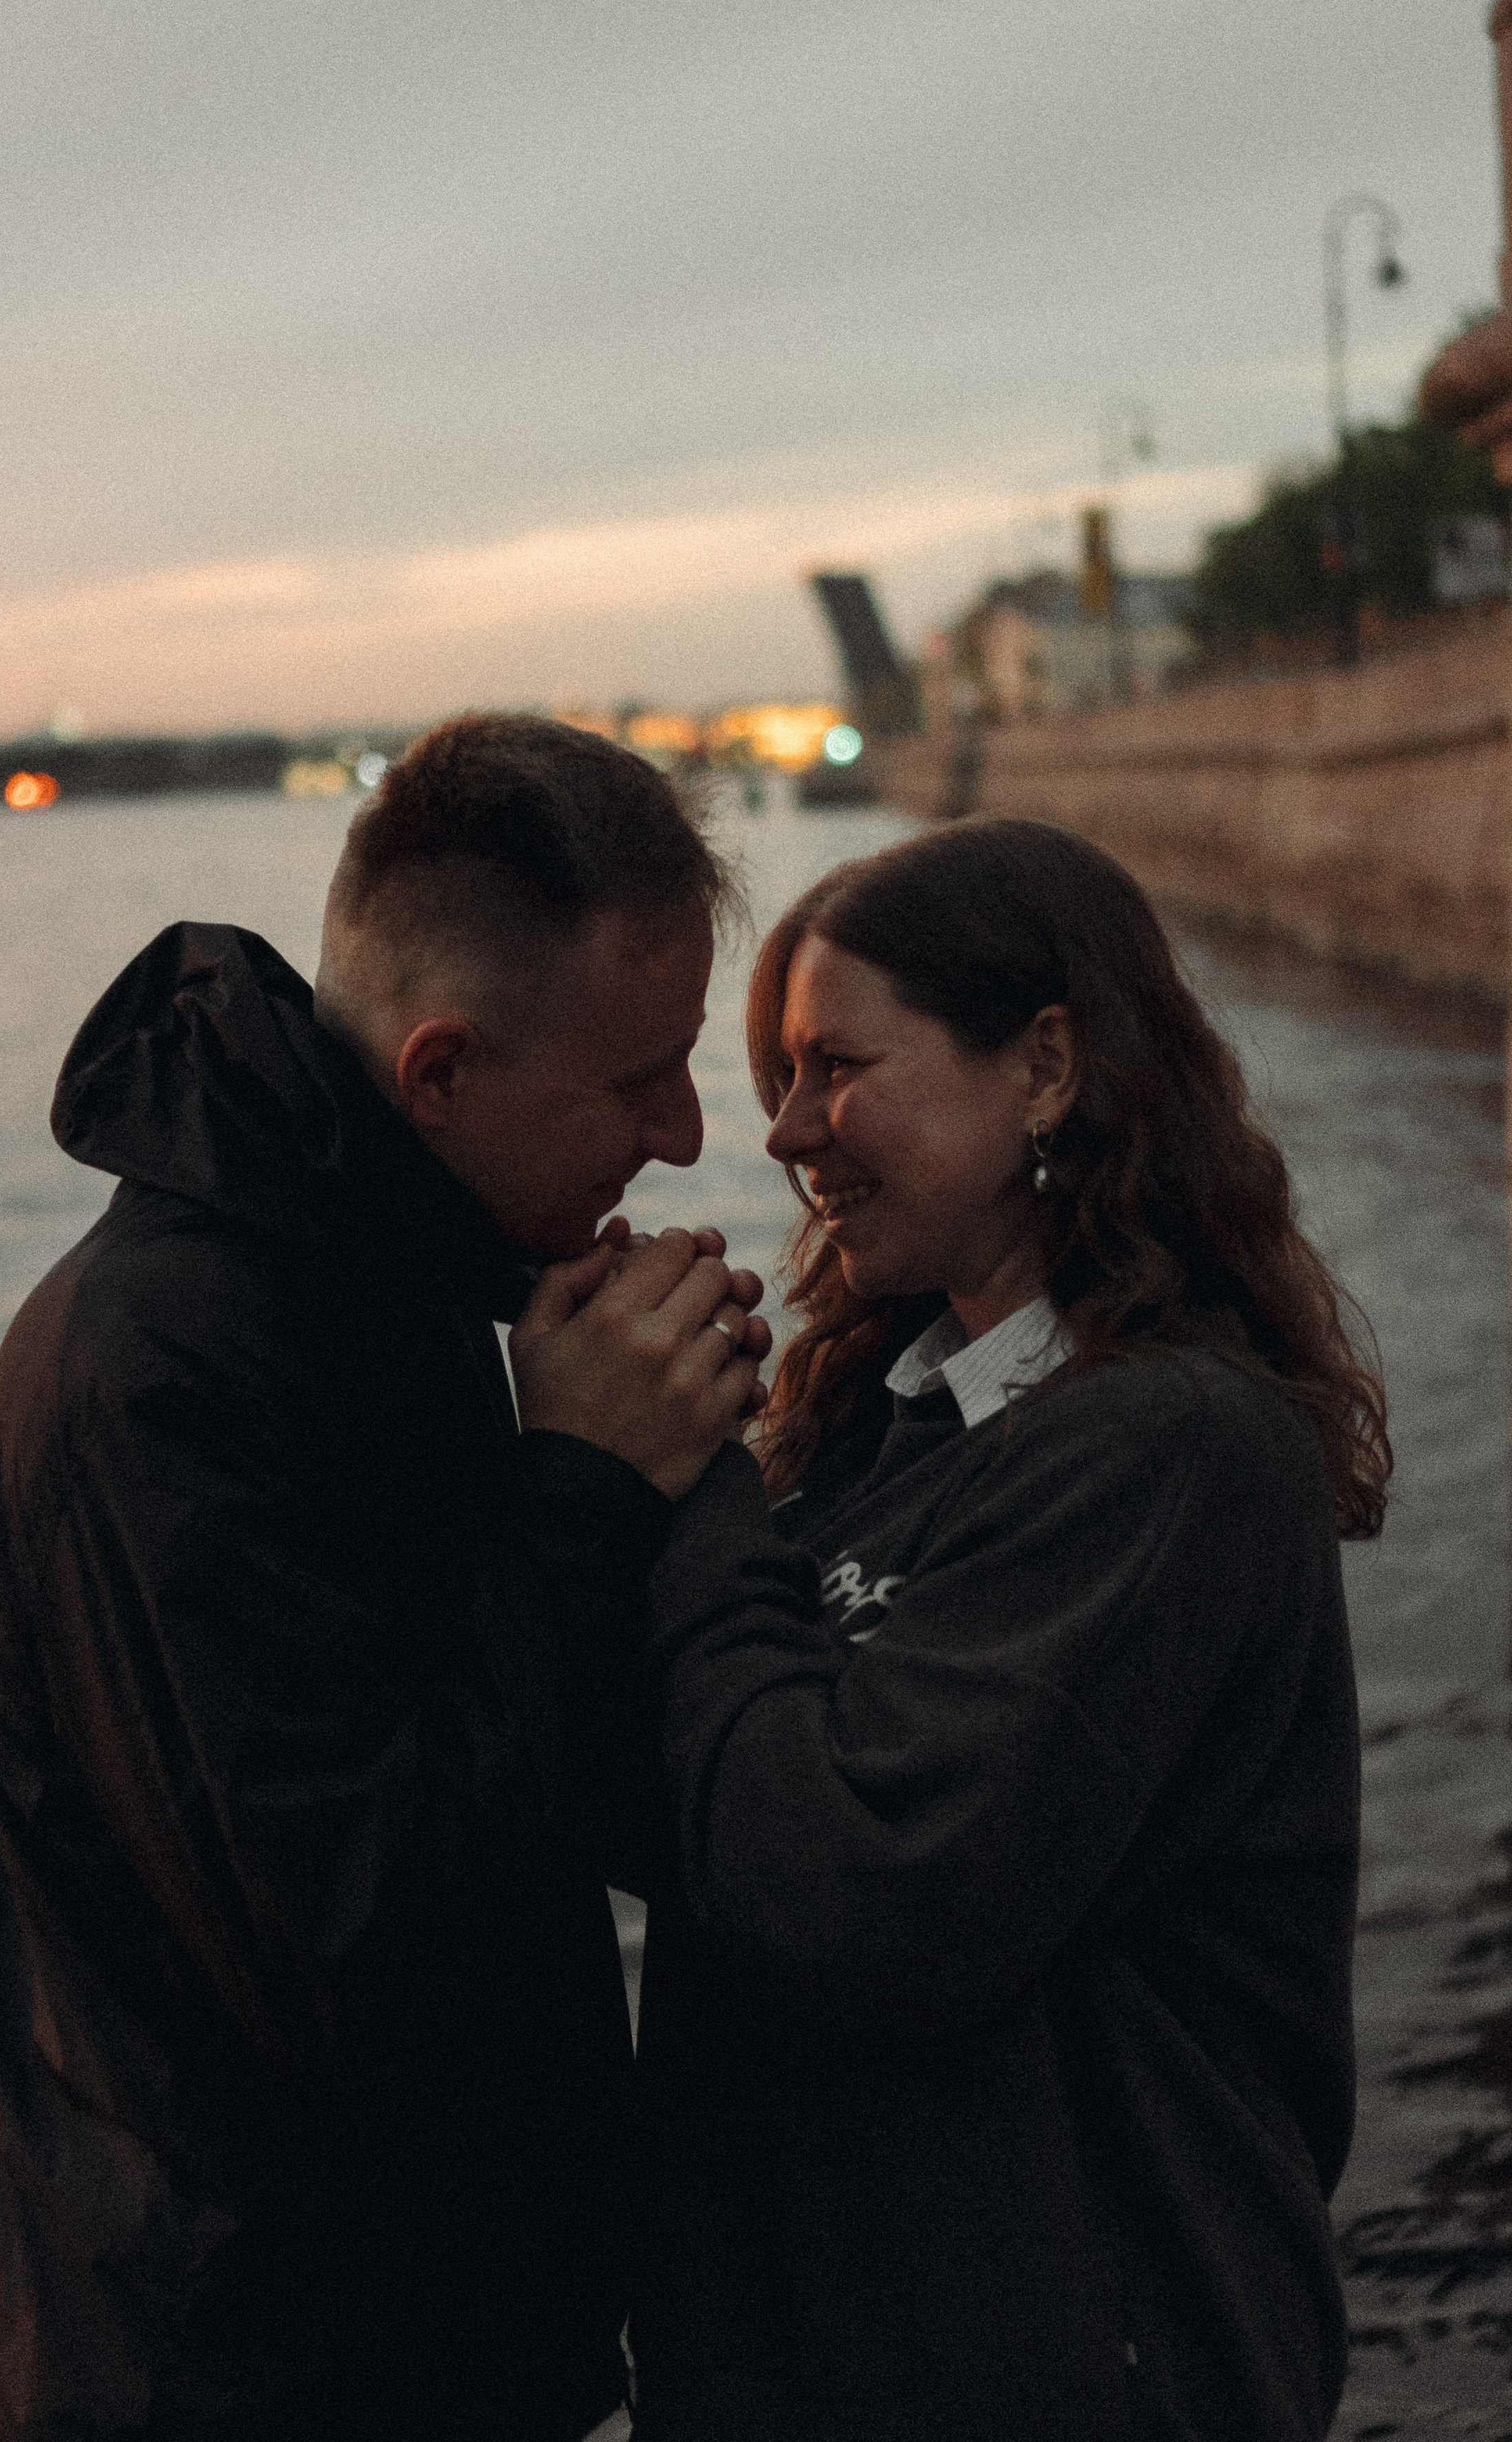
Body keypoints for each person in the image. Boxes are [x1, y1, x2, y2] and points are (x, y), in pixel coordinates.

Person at [510, 817, 1389, 2442]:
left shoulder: (1168, 1450)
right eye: (780, 1076)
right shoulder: (880, 1433)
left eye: (835, 1068)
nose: (784, 1131)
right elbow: (695, 1821)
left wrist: (696, 1489)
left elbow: (856, 1895)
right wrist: (587, 1485)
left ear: (1043, 1067)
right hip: (805, 2368)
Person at [0, 714, 768, 2442]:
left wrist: (714, 1484)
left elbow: (563, 1787)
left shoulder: (389, 1280)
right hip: (245, 2380)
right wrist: (581, 1483)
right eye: (641, 1078)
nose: (691, 1136)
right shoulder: (157, 1380)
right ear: (438, 1074)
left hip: (438, 2350)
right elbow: (358, 1956)